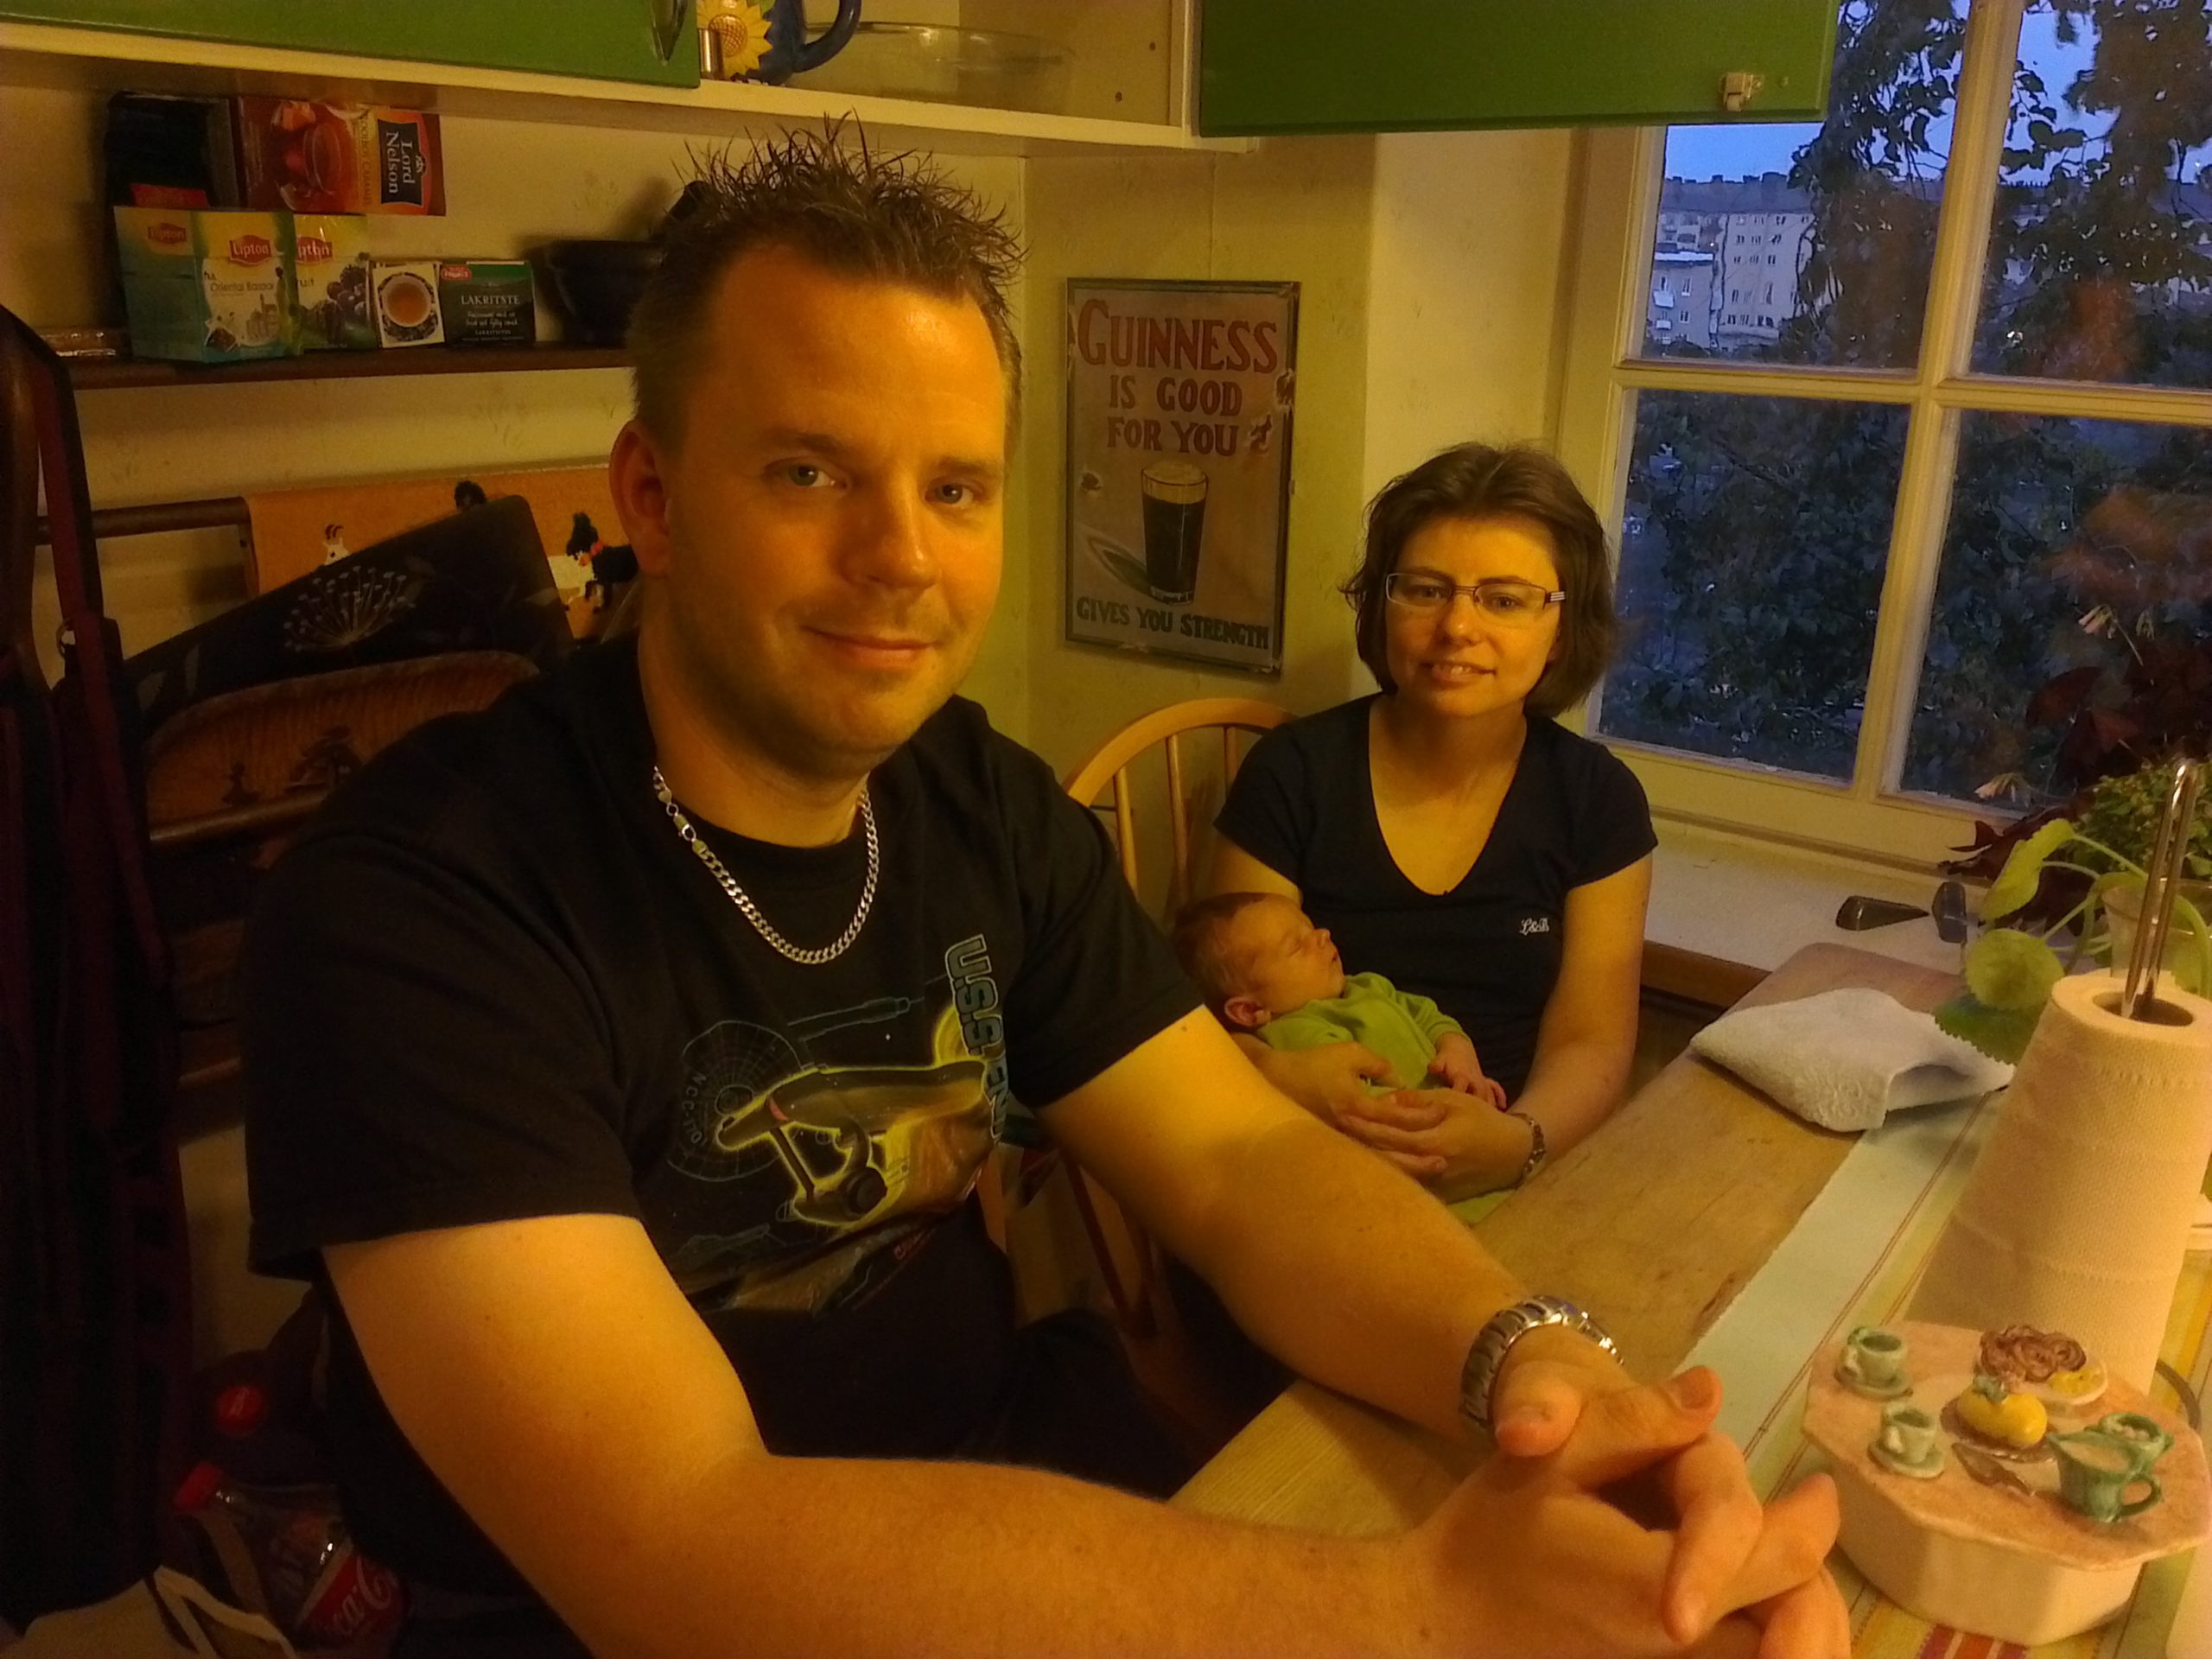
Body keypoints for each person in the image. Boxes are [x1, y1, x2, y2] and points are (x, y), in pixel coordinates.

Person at [240, 131, 1846, 1658]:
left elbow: (1237, 1159)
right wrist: (1414, 1618)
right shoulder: (416, 902)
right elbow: (673, 1544)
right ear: (652, 497)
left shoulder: (976, 800)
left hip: (999, 1477)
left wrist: (1547, 1378)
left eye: (956, 488)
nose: (902, 558)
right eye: (809, 471)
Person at [1209, 442, 1655, 1200]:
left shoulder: (1598, 800)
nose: (1457, 627)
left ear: (1562, 629)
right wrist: (1284, 1079)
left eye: (1504, 600)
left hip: (1511, 1171)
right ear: (1382, 605)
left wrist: (1518, 1143)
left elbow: (1592, 1043)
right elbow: (1220, 1014)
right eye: (1424, 590)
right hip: (1307, 1164)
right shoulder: (1293, 774)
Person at [1171, 891, 1506, 1109]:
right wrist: (1454, 1110)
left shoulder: (1366, 985)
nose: (1323, 935)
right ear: (1250, 1009)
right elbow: (1358, 1101)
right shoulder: (1297, 1034)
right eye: (1296, 946)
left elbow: (1428, 1015)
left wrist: (1456, 1048)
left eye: (1311, 927)